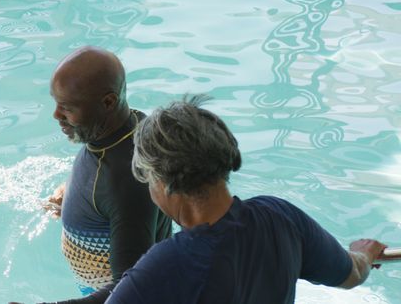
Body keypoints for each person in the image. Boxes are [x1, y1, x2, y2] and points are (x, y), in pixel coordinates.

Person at [106, 95, 388, 304]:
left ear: (163, 182)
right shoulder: (280, 218)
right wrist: (365, 253)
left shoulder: (164, 266)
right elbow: (352, 274)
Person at [44, 46, 173, 303]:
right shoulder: (131, 126)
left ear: (108, 102)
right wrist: (71, 190)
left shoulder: (126, 181)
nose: (56, 115)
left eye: (67, 108)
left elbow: (131, 291)